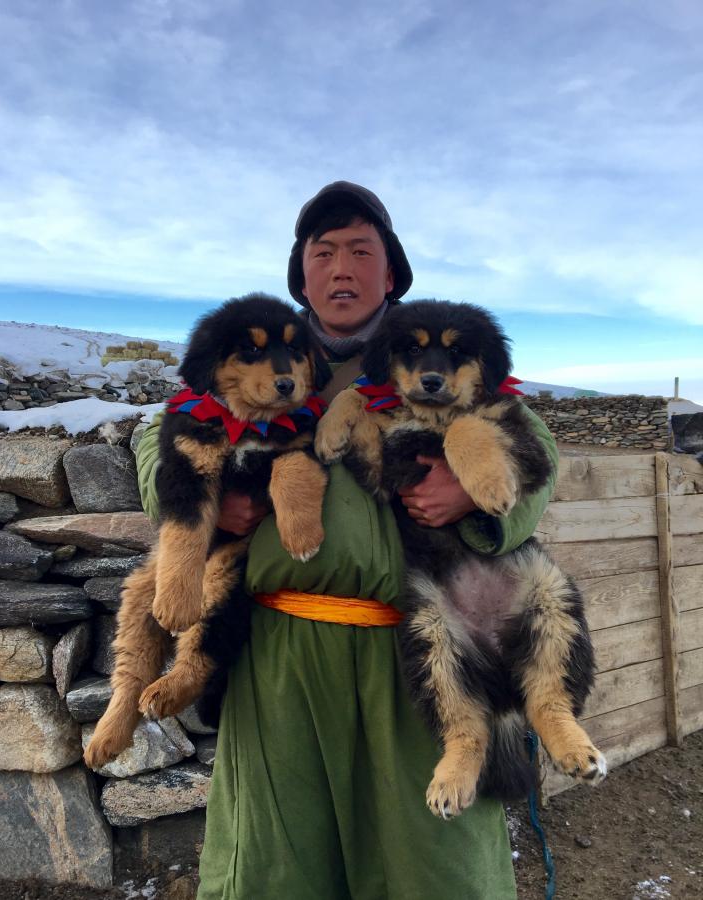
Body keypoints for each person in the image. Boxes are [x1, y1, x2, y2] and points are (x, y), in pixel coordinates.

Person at [135, 181, 559, 899]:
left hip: (420, 649)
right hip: (281, 657)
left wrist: (474, 496)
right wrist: (215, 508)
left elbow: (536, 446)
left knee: (434, 864)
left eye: (361, 252)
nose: (340, 267)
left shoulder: (436, 351)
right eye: (322, 252)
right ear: (301, 272)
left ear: (388, 272)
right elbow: (158, 437)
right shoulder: (262, 352)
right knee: (277, 863)